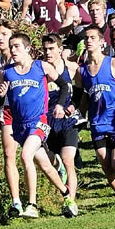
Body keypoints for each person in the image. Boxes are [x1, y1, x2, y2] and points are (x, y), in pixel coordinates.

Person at [0, 32, 78, 218]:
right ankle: (67, 197)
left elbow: (65, 86)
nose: (13, 50)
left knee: (26, 155)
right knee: (46, 165)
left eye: (17, 46)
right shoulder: (6, 72)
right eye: (11, 46)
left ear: (27, 48)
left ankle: (32, 205)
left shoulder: (41, 66)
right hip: (20, 126)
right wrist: (0, 96)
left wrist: (59, 104)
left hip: (40, 122)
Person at [75, 25, 115, 211]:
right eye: (86, 38)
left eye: (93, 37)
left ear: (102, 42)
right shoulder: (82, 71)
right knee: (105, 163)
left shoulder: (112, 63)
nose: (89, 40)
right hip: (97, 121)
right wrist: (76, 113)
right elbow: (80, 96)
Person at [0, 22, 35, 217]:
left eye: (4, 34)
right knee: (9, 155)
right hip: (8, 111)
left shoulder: (25, 59)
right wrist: (0, 94)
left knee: (36, 157)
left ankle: (57, 168)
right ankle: (16, 201)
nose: (0, 38)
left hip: (28, 112)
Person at [41, 34, 79, 208]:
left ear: (60, 49)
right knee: (48, 159)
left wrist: (73, 107)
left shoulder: (71, 68)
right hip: (47, 121)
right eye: (45, 49)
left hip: (67, 121)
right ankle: (58, 166)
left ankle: (71, 202)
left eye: (52, 49)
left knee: (68, 159)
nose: (48, 52)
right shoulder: (40, 70)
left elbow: (81, 92)